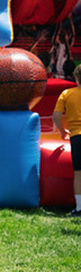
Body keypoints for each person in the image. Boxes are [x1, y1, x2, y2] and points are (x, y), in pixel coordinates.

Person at [53, 64, 81, 216]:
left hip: (77, 135)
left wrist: (62, 131)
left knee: (78, 173)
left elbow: (56, 116)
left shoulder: (67, 94)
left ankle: (79, 207)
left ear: (76, 78)